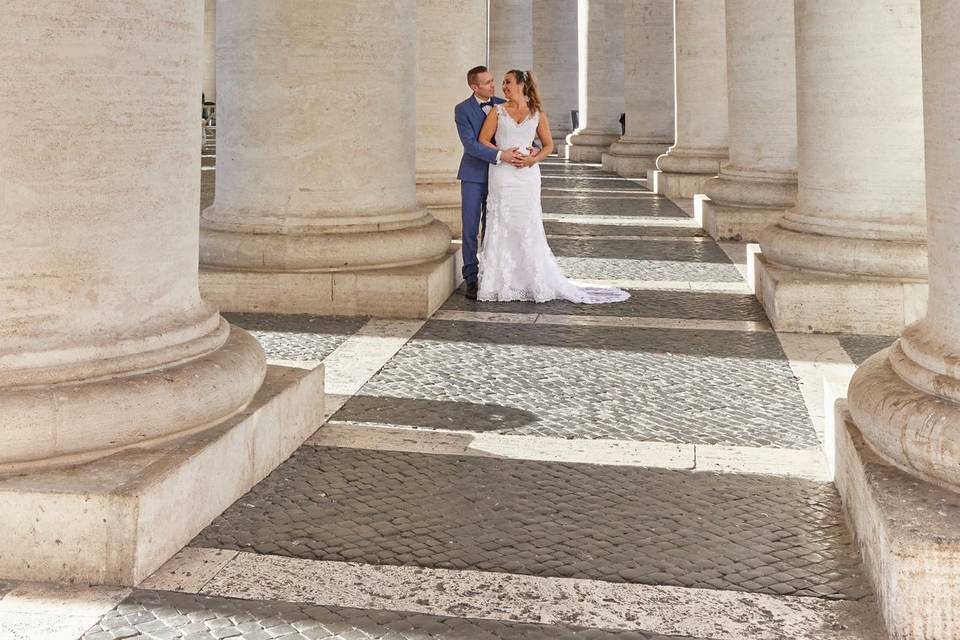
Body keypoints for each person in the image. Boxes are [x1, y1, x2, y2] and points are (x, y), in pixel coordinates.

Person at [476, 70, 630, 304]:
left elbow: (548, 145)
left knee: (528, 223)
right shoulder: (497, 112)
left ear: (520, 85)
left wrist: (533, 159)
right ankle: (500, 282)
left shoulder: (538, 114)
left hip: (527, 177)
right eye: (503, 83)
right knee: (502, 222)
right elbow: (483, 141)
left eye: (508, 82)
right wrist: (502, 154)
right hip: (503, 175)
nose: (503, 86)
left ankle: (531, 280)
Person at [454, 66, 524, 300]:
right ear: (475, 87)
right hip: (474, 175)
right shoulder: (462, 110)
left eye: (493, 81)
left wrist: (528, 148)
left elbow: (518, 130)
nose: (493, 85)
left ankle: (490, 273)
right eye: (487, 83)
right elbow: (471, 145)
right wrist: (500, 155)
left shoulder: (502, 104)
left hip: (502, 176)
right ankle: (471, 278)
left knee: (493, 225)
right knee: (470, 228)